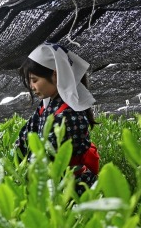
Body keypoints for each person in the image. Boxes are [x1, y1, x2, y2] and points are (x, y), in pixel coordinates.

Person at [15, 42, 99, 190]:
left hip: (71, 188)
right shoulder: (46, 106)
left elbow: (47, 157)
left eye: (34, 80)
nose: (31, 86)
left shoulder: (69, 115)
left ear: (55, 75)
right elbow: (26, 135)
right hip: (53, 183)